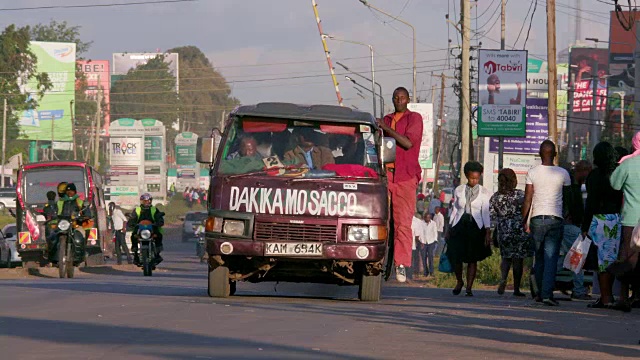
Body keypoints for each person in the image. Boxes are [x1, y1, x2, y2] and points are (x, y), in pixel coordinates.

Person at [378, 86, 423, 283]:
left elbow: (407, 143)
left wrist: (386, 129)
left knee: (403, 224)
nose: (399, 100)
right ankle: (378, 260)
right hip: (385, 175)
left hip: (405, 177)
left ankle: (401, 264)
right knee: (382, 221)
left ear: (408, 100)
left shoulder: (414, 119)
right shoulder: (386, 119)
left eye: (402, 97)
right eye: (396, 97)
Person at [522, 140, 571, 306]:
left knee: (539, 258)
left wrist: (524, 221)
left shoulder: (533, 172)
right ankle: (546, 295)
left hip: (536, 219)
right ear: (555, 154)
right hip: (555, 219)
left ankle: (538, 293)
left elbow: (528, 199)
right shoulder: (563, 173)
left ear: (539, 153)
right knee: (551, 258)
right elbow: (568, 199)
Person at [580, 143, 623, 309]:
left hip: (599, 220)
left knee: (601, 262)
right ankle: (610, 296)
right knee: (611, 259)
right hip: (617, 219)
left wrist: (585, 226)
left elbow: (590, 204)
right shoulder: (618, 173)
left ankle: (605, 298)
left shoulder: (594, 176)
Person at [446, 161, 493, 296]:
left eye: (477, 178)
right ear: (467, 176)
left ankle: (469, 287)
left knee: (472, 258)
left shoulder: (485, 192)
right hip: (460, 225)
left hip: (476, 227)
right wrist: (449, 227)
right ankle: (459, 281)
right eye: (472, 178)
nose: (474, 180)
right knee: (456, 256)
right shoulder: (459, 190)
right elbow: (455, 209)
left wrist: (487, 231)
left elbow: (485, 212)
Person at [490, 168, 532, 297]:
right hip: (519, 231)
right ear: (514, 180)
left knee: (506, 258)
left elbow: (491, 216)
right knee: (518, 260)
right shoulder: (520, 195)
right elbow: (528, 208)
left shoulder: (495, 197)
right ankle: (516, 289)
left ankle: (503, 279)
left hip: (503, 232)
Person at [610, 134, 640, 312]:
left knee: (628, 256)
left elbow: (614, 184)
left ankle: (623, 297)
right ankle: (637, 295)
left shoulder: (628, 163)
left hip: (630, 218)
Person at [559, 160, 592, 301]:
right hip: (569, 225)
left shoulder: (575, 184)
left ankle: (541, 278)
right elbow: (572, 206)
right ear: (583, 171)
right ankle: (578, 290)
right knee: (578, 256)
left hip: (566, 225)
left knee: (567, 258)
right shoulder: (572, 185)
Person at [128, 193, 165, 266]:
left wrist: (159, 222)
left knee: (158, 235)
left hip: (152, 228)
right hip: (140, 229)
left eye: (147, 201)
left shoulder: (154, 209)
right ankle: (135, 255)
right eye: (144, 201)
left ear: (150, 201)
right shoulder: (137, 210)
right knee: (133, 236)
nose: (146, 203)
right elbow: (133, 217)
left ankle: (157, 253)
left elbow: (159, 217)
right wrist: (131, 222)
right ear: (141, 201)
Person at [422, 213, 439, 277]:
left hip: (431, 242)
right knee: (424, 258)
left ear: (430, 218)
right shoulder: (422, 223)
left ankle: (432, 272)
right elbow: (420, 232)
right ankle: (425, 272)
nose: (427, 219)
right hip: (423, 242)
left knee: (430, 257)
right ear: (424, 217)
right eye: (426, 217)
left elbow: (435, 232)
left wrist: (435, 240)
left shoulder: (433, 223)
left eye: (428, 218)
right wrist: (421, 241)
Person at [411, 212, 426, 279]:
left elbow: (418, 234)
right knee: (415, 258)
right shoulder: (417, 221)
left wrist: (421, 242)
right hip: (415, 242)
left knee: (414, 258)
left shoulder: (416, 221)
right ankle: (414, 272)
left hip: (414, 242)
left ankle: (414, 272)